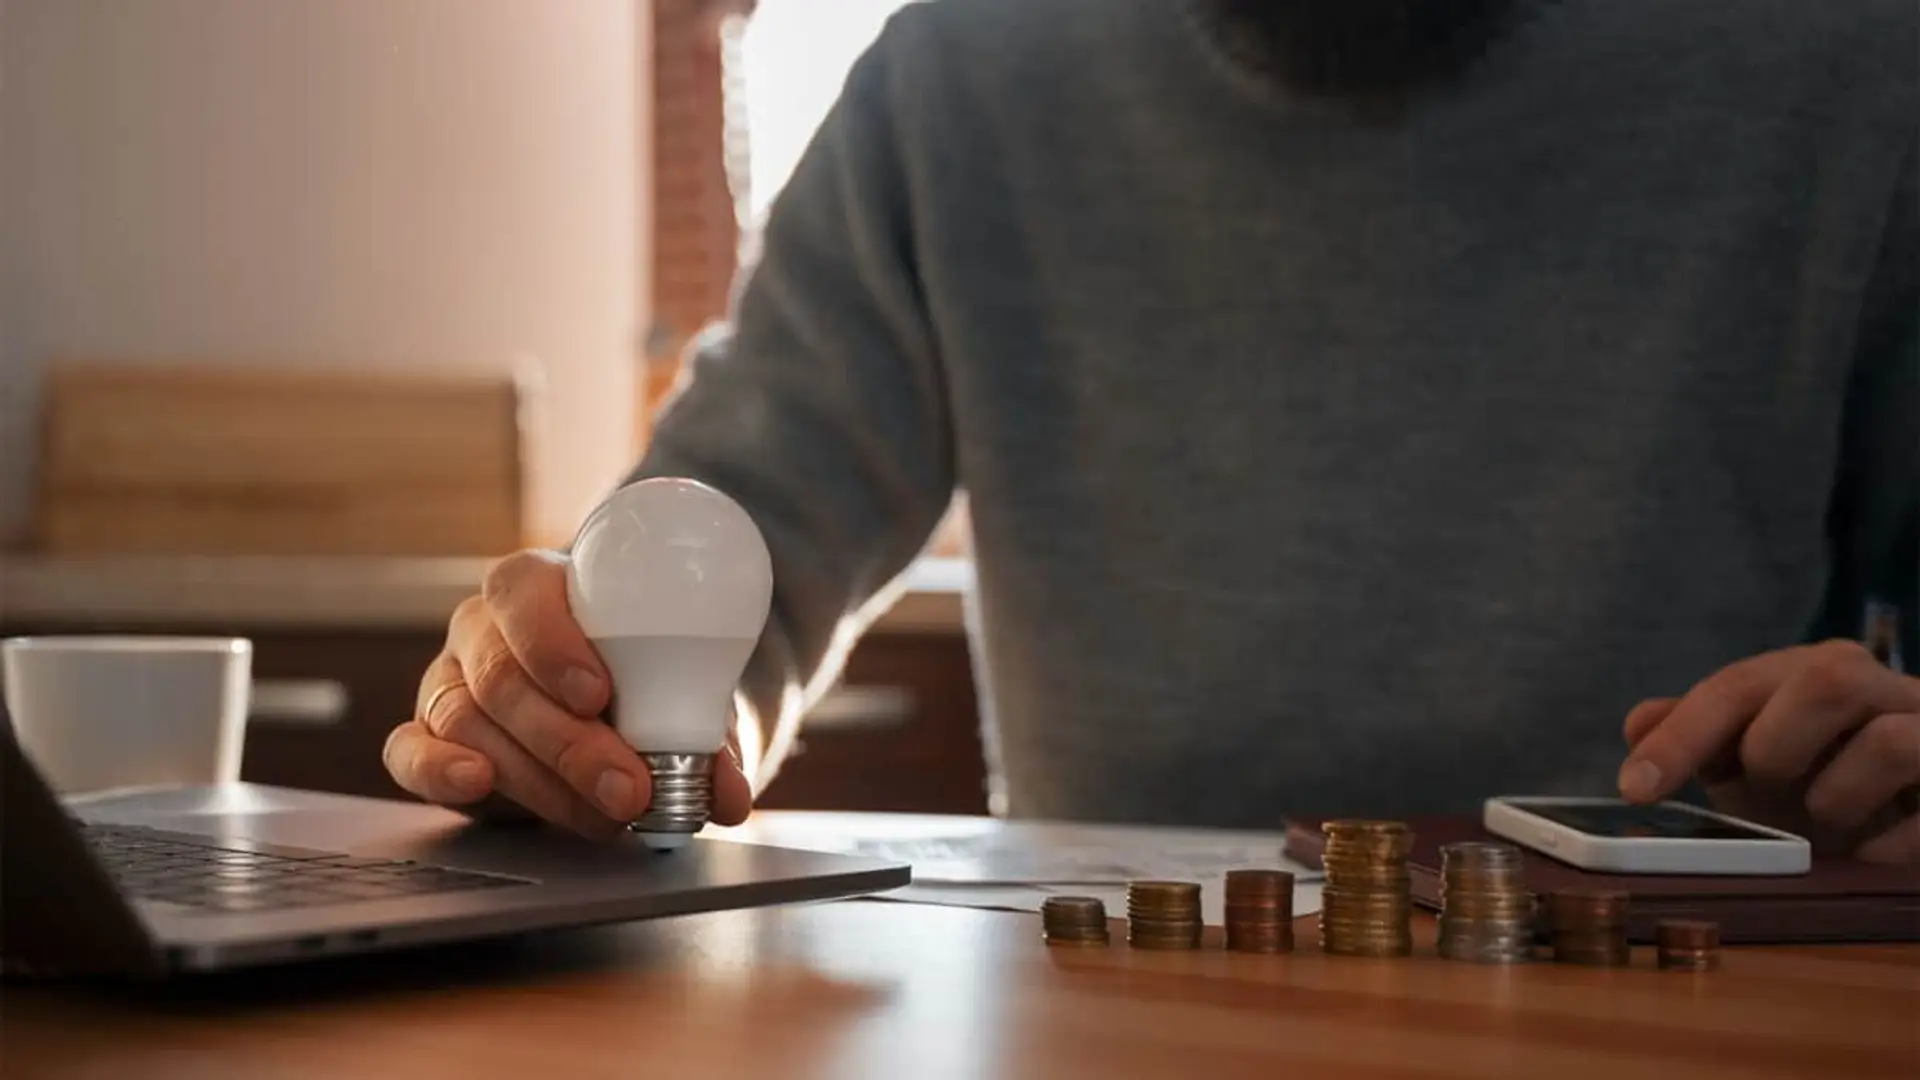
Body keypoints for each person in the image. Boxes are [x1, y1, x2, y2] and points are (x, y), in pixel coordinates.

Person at [382, 0, 1919, 862]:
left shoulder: (1857, 69)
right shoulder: (956, 79)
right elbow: (737, 534)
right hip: (1106, 1004)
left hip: (1712, 995)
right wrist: (574, 700)